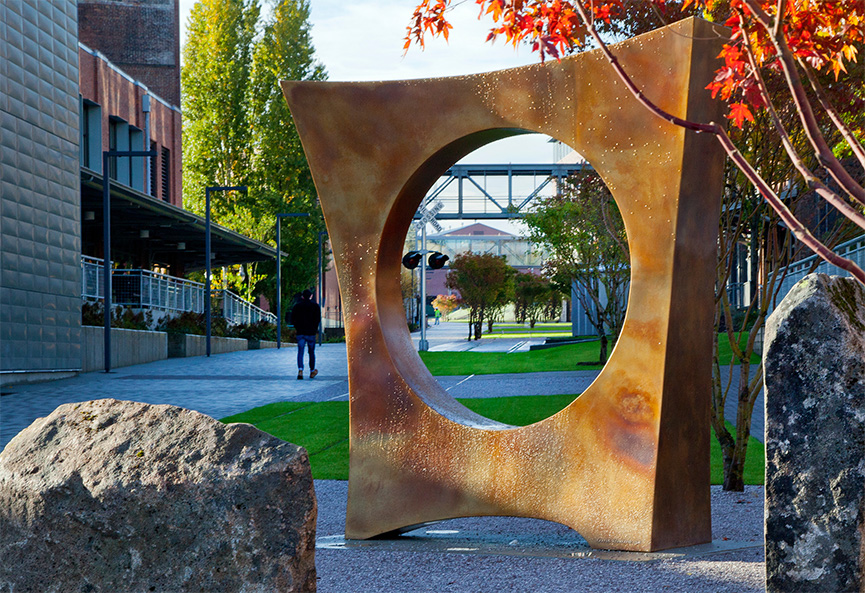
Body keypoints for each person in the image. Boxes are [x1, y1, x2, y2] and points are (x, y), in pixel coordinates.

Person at [290, 289, 321, 380]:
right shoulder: (315, 306)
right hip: (311, 332)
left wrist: (297, 328)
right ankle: (312, 371)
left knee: (300, 352)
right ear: (311, 296)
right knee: (311, 352)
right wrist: (314, 329)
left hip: (300, 332)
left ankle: (300, 370)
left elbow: (293, 319)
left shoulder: (297, 306)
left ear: (302, 296)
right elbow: (317, 319)